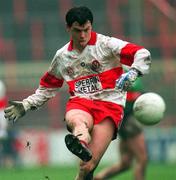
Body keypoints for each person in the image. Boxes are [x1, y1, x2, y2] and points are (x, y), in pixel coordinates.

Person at [4, 6, 151, 180]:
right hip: (81, 102)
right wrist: (27, 104)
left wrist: (133, 72)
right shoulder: (62, 56)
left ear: (92, 26)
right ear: (68, 28)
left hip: (110, 106)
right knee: (78, 120)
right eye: (77, 31)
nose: (82, 36)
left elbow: (142, 53)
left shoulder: (106, 44)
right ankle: (80, 142)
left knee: (87, 166)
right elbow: (48, 88)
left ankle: (82, 147)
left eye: (86, 30)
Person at [94, 72, 148, 180]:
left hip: (126, 120)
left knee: (125, 162)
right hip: (127, 119)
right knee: (142, 158)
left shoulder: (133, 70)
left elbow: (137, 92)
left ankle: (99, 178)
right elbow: (127, 94)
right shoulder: (120, 71)